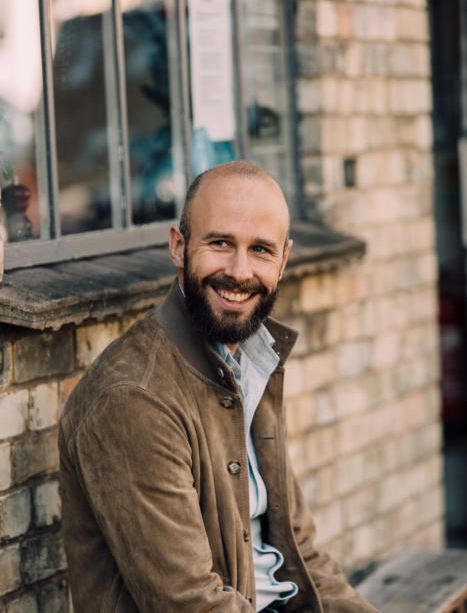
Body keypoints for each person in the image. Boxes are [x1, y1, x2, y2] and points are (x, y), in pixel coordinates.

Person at [59, 161, 379, 612]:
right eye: (221, 243)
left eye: (261, 250)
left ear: (283, 261)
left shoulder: (250, 360)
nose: (239, 271)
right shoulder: (133, 396)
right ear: (178, 246)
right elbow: (189, 603)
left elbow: (303, 557)